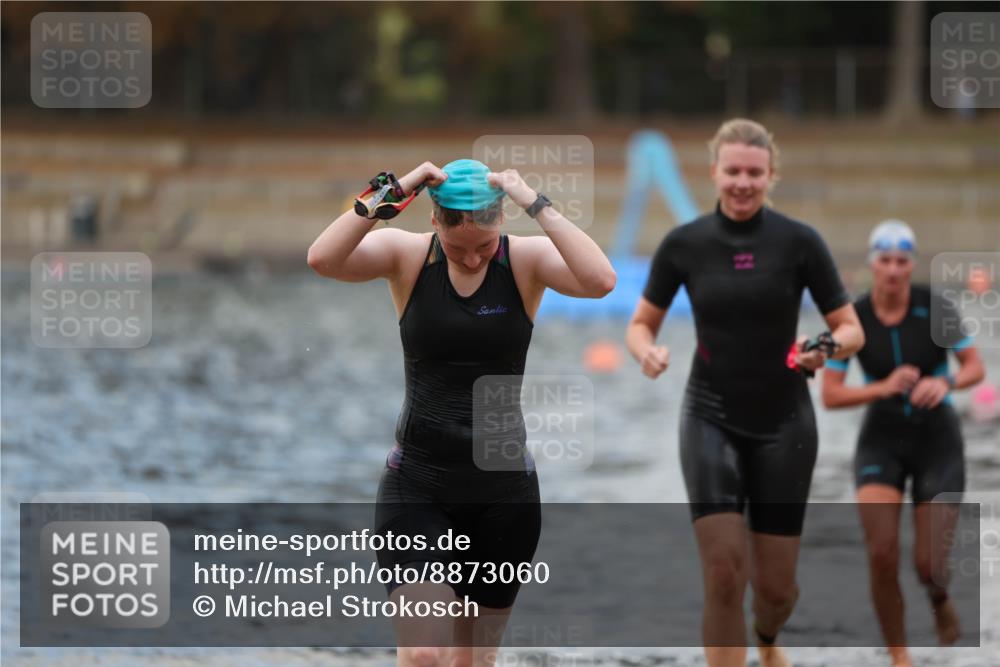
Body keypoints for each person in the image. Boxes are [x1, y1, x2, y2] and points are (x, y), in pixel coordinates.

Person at [307, 158, 615, 667]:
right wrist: (398, 185)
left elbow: (601, 280)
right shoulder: (409, 257)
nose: (472, 261)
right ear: (435, 223)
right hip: (418, 485)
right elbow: (323, 257)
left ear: (501, 226)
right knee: (425, 653)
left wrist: (531, 200)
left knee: (471, 662)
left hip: (503, 494)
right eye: (457, 249)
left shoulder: (524, 262)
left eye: (484, 247)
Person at [625, 118, 865, 667]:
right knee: (725, 571)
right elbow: (640, 325)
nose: (742, 182)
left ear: (770, 176)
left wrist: (824, 346)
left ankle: (768, 639)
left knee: (777, 593)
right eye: (732, 171)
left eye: (754, 173)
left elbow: (853, 330)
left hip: (785, 424)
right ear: (715, 172)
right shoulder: (684, 245)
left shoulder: (800, 242)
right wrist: (647, 352)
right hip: (709, 416)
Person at [821, 220, 985, 667]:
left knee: (929, 564)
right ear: (873, 265)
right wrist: (882, 387)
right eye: (885, 261)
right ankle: (899, 655)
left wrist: (946, 382)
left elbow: (976, 368)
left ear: (911, 265)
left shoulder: (936, 309)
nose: (893, 270)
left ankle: (939, 596)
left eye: (902, 261)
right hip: (882, 440)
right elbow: (831, 395)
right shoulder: (853, 318)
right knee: (881, 552)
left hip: (938, 439)